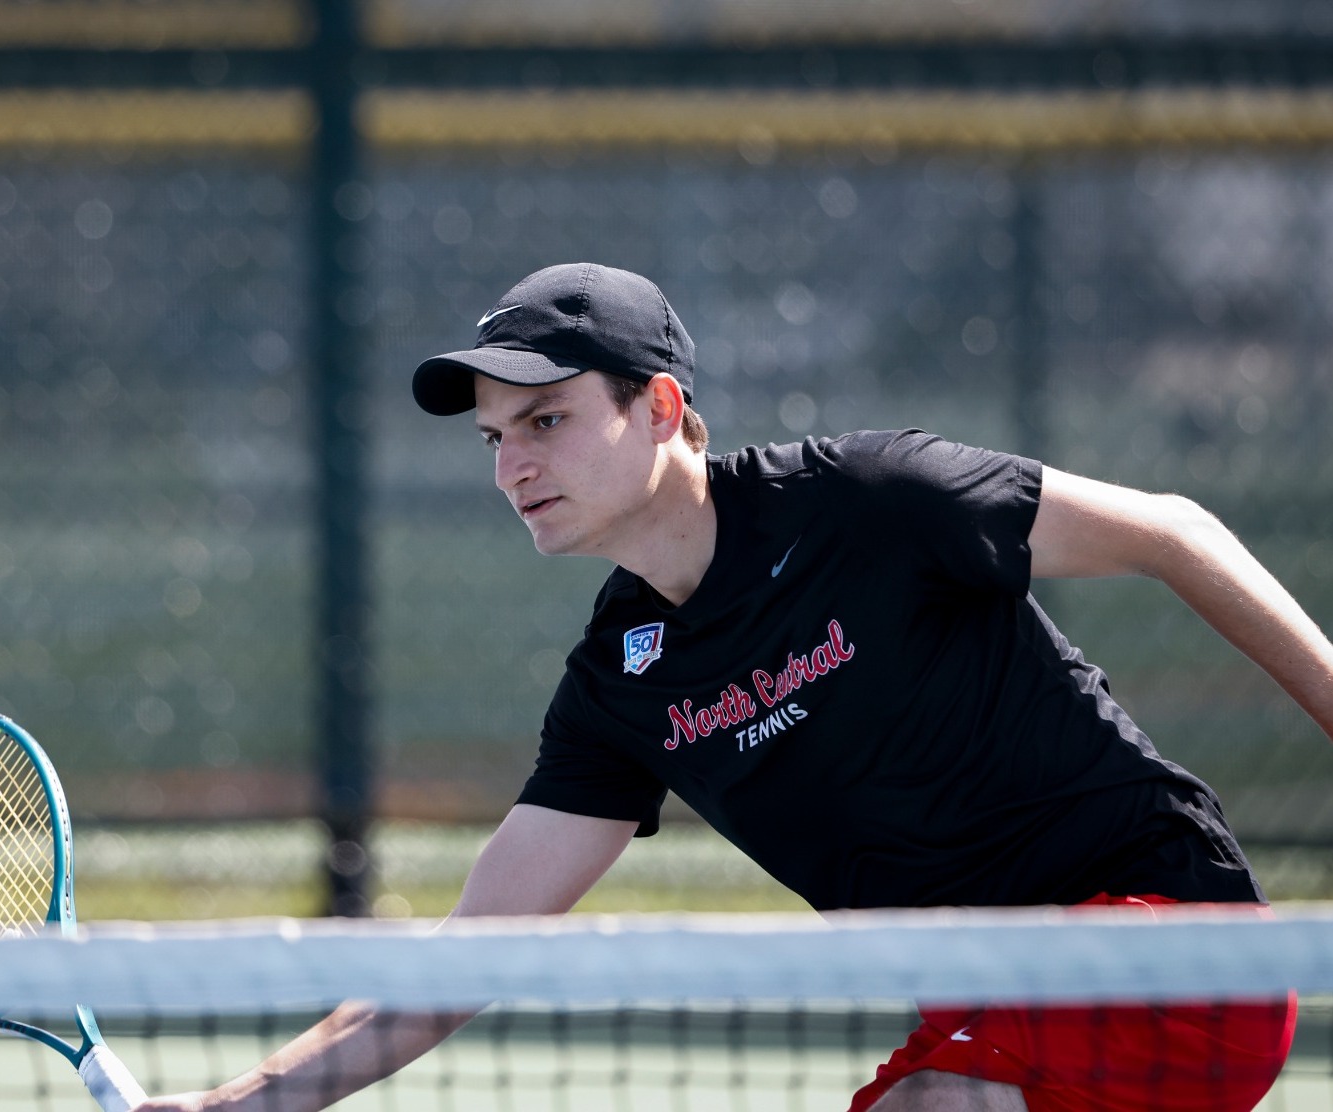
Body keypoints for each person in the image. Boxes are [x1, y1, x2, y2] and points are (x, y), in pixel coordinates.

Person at [138, 262, 1333, 1112]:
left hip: (1181, 956)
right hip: (1001, 1023)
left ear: (659, 408)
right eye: (494, 437)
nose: (513, 464)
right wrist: (241, 1102)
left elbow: (1175, 531)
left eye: (546, 419)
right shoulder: (619, 687)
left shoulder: (877, 500)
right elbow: (470, 948)